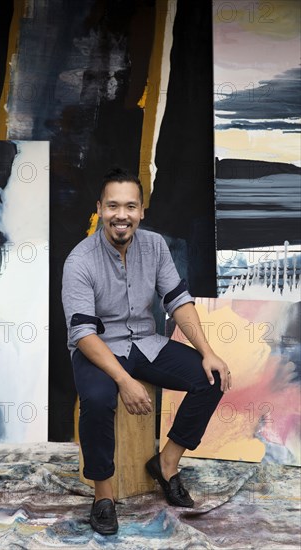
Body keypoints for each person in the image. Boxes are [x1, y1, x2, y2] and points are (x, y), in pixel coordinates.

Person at [61, 167, 231, 535]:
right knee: (97, 398)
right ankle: (103, 495)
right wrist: (124, 381)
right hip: (99, 349)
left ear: (141, 211)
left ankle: (166, 463)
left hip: (146, 343)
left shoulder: (155, 246)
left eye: (130, 207)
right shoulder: (80, 261)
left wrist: (207, 351)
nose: (121, 215)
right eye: (113, 206)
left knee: (212, 378)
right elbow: (83, 334)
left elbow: (178, 301)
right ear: (100, 209)